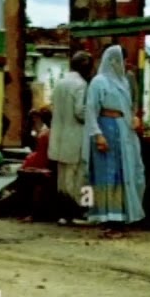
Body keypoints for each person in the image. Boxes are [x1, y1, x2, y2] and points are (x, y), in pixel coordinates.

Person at [83, 45, 146, 233]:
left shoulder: (124, 81)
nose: (125, 65)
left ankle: (122, 214)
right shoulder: (99, 82)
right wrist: (98, 135)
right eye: (122, 60)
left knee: (124, 171)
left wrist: (133, 118)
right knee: (106, 173)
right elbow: (91, 110)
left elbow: (128, 106)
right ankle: (107, 216)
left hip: (123, 130)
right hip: (106, 129)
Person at [48, 51, 93, 217]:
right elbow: (80, 112)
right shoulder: (81, 85)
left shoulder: (60, 82)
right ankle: (76, 211)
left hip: (59, 136)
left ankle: (62, 213)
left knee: (63, 177)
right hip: (75, 136)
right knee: (78, 176)